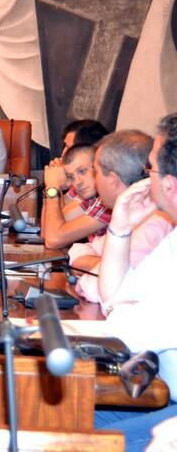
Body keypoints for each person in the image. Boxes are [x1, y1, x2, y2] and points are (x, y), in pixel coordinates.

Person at [93, 113, 177, 449]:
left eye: (150, 169)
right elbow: (113, 296)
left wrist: (122, 310)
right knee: (48, 414)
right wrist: (121, 227)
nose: (145, 177)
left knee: (71, 441)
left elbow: (124, 333)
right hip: (163, 392)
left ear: (169, 185)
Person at [68, 131, 173, 302]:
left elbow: (101, 290)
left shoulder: (155, 222)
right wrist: (102, 265)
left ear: (112, 178)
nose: (149, 176)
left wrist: (101, 268)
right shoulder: (136, 213)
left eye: (95, 171)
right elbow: (78, 249)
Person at [42, 143, 111, 249]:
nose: (77, 182)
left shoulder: (108, 201)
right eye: (71, 177)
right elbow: (48, 231)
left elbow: (53, 240)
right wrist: (55, 187)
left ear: (98, 167)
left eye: (82, 171)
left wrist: (52, 186)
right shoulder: (91, 198)